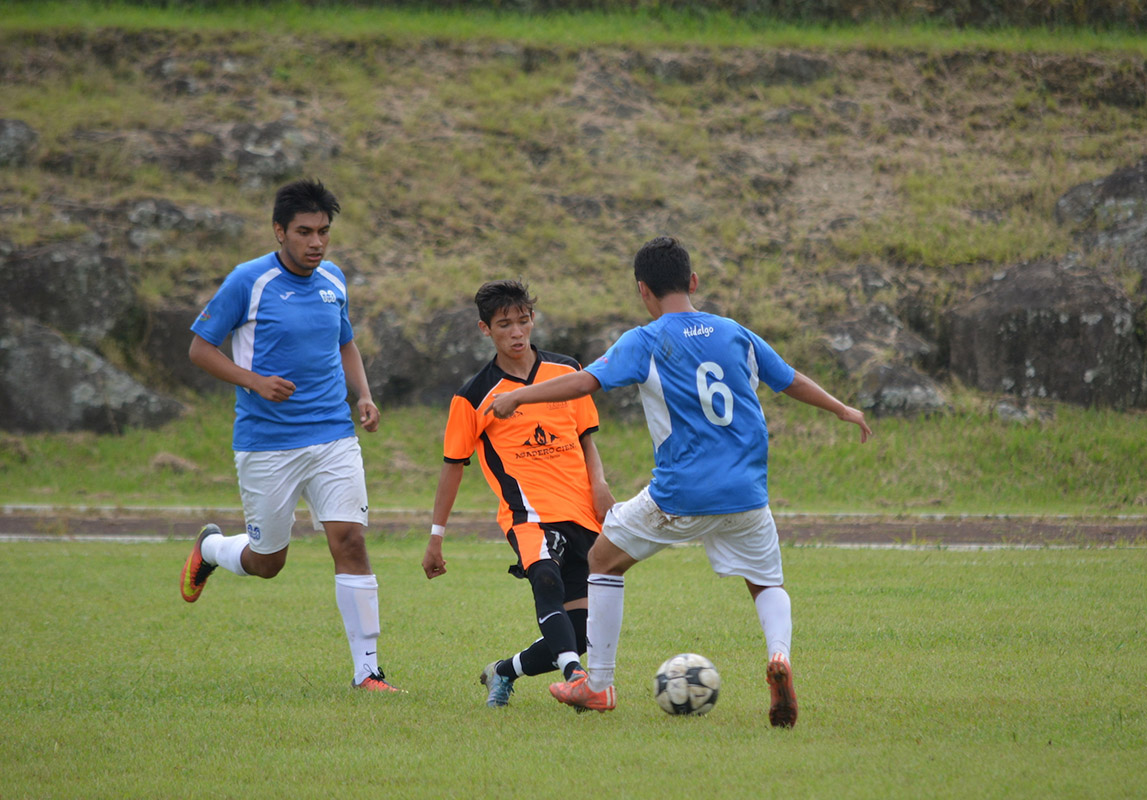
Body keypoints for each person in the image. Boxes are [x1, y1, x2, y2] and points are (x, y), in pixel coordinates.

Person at [487, 236, 873, 727]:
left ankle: (598, 685)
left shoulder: (646, 340)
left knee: (602, 560)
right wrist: (842, 408)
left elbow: (587, 381)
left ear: (643, 291)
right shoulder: (736, 333)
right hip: (745, 492)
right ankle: (780, 657)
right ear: (692, 282)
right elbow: (789, 378)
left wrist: (521, 398)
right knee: (766, 582)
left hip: (679, 494)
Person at [179, 178, 398, 692]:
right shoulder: (247, 281)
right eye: (304, 232)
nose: (316, 242)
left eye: (323, 231)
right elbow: (200, 349)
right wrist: (253, 381)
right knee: (268, 562)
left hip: (332, 436)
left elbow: (345, 344)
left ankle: (368, 671)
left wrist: (363, 395)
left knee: (349, 540)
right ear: (280, 232)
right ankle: (212, 549)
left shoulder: (335, 280)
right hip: (266, 443)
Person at [422, 280, 615, 708]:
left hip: (582, 512)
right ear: (484, 330)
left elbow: (586, 439)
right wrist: (436, 536)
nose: (516, 332)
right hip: (525, 512)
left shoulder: (567, 373)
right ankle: (576, 677)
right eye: (504, 324)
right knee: (543, 576)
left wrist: (599, 484)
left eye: (523, 321)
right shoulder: (473, 396)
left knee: (580, 629)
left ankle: (503, 671)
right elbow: (453, 467)